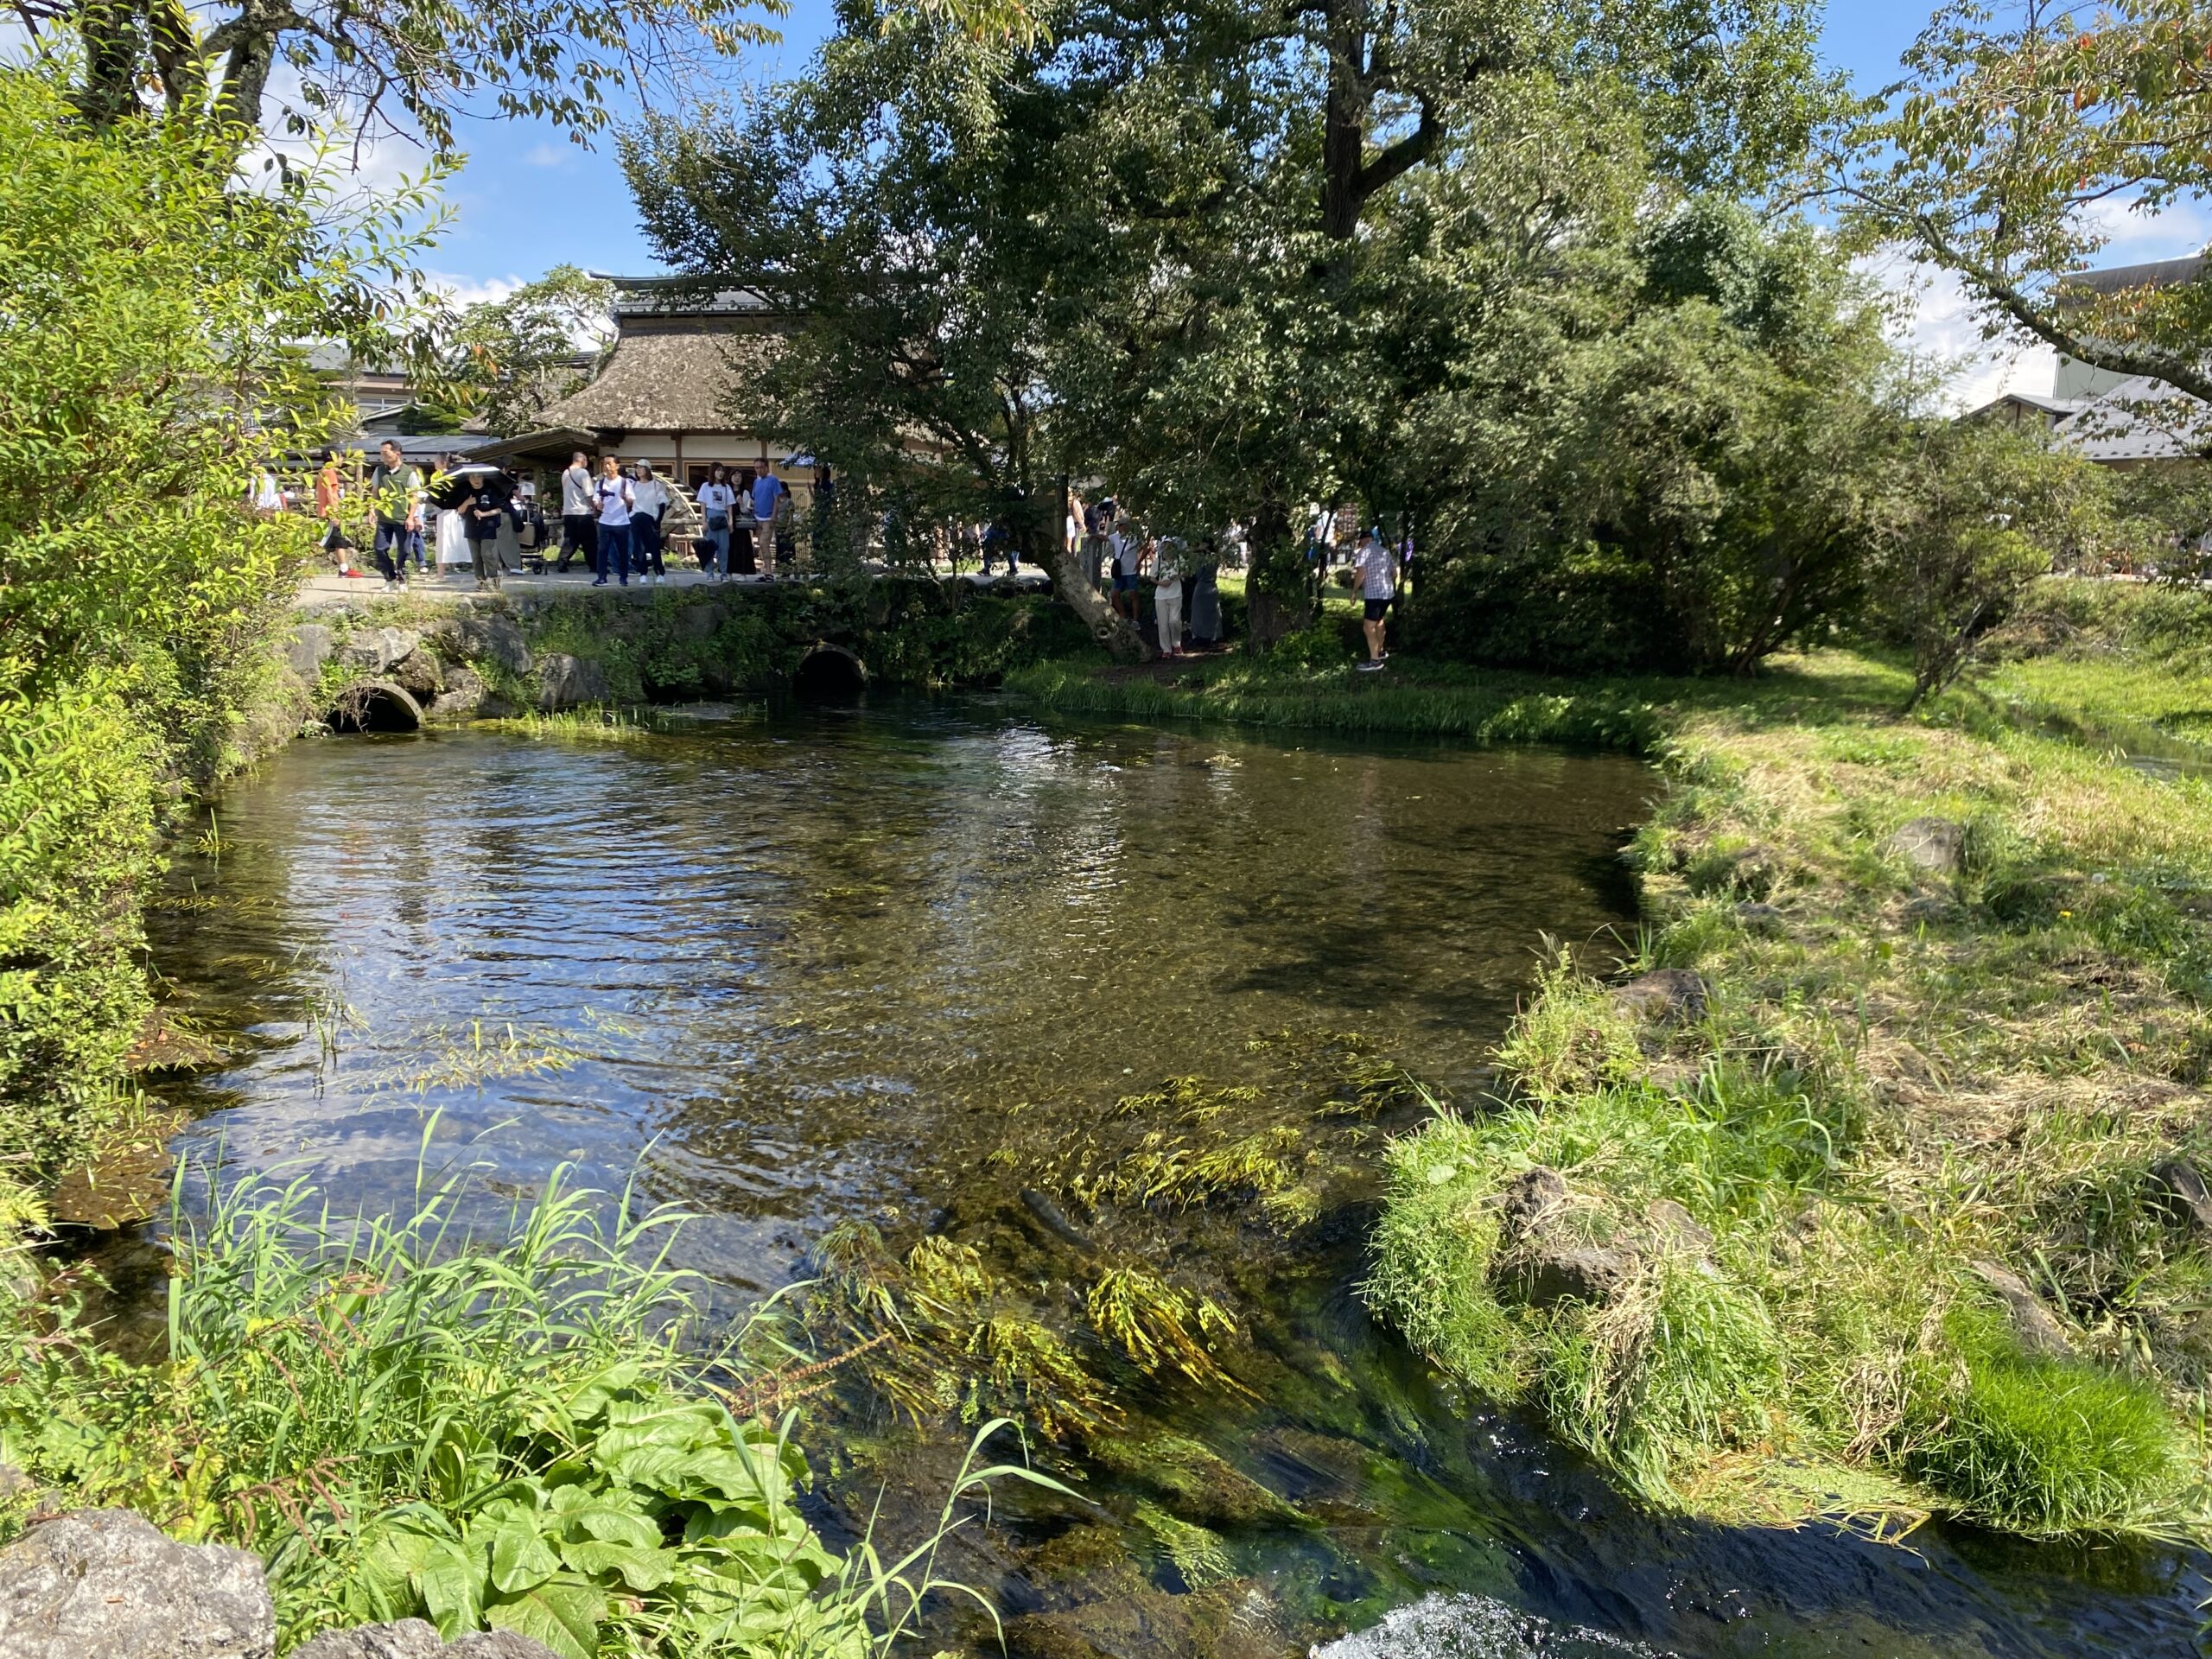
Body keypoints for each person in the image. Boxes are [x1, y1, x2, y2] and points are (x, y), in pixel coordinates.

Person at [365, 439, 420, 590]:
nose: (383, 456)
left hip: (402, 518)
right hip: (384, 517)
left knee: (404, 550)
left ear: (397, 453)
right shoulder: (379, 470)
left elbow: (414, 496)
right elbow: (374, 492)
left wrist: (411, 517)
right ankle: (390, 578)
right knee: (379, 548)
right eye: (381, 453)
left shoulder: (409, 472)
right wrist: (371, 509)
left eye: (386, 453)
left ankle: (402, 579)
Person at [1352, 526, 1397, 671]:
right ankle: (1381, 651)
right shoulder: (1385, 552)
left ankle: (1375, 661)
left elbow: (1360, 573)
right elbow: (1394, 574)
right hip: (1387, 593)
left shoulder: (1363, 552)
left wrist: (1354, 591)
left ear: (1362, 541)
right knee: (1379, 621)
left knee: (1368, 626)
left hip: (1374, 595)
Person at [461, 471, 509, 591]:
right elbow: (460, 511)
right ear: (468, 479)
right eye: (472, 476)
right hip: (471, 527)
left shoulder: (490, 491)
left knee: (487, 554)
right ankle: (480, 581)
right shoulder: (465, 492)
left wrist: (483, 514)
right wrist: (467, 503)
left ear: (483, 478)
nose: (476, 479)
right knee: (476, 557)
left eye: (478, 476)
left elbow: (498, 509)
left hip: (488, 526)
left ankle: (494, 579)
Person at [592, 454, 634, 587]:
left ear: (617, 465)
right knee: (602, 551)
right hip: (605, 521)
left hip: (621, 522)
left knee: (623, 551)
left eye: (610, 463)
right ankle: (602, 578)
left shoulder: (625, 482)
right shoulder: (600, 483)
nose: (607, 466)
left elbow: (632, 499)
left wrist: (625, 498)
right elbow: (595, 499)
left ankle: (623, 578)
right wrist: (598, 504)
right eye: (605, 463)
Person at [557, 451, 596, 573]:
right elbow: (589, 494)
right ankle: (594, 565)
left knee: (570, 539)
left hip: (569, 511)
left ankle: (562, 562)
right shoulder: (583, 473)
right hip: (583, 512)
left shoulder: (565, 473)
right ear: (582, 460)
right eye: (586, 461)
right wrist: (594, 508)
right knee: (590, 541)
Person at [632, 461, 670, 584]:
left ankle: (659, 572)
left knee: (654, 547)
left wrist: (658, 521)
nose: (638, 470)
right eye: (637, 468)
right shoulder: (634, 485)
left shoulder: (655, 485)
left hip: (650, 518)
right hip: (635, 517)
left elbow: (662, 503)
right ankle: (642, 572)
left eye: (641, 467)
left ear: (647, 469)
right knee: (639, 547)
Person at [697, 464, 736, 578]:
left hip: (722, 517)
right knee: (710, 546)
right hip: (711, 516)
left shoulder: (726, 487)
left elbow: (729, 506)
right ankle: (710, 573)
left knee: (724, 548)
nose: (720, 473)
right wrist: (703, 521)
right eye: (718, 471)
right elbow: (703, 505)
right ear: (713, 472)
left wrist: (730, 522)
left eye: (722, 471)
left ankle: (723, 572)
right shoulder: (705, 486)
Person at [1150, 534, 1185, 656]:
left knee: (1174, 621)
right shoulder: (1158, 561)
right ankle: (1166, 649)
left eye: (1170, 546)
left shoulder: (1179, 559)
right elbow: (1152, 577)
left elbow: (1186, 571)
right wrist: (1160, 583)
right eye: (1165, 546)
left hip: (1175, 593)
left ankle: (1176, 644)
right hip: (1160, 595)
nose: (1168, 549)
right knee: (1163, 624)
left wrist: (1176, 577)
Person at [749, 461, 784, 574]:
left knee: (764, 543)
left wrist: (774, 515)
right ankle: (765, 569)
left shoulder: (773, 480)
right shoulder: (756, 481)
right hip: (758, 516)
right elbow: (754, 498)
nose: (759, 470)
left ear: (766, 467)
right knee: (761, 544)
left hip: (768, 517)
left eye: (761, 467)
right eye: (756, 468)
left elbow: (777, 499)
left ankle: (769, 571)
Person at [1108, 517, 1143, 623]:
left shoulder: (1134, 538)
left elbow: (1145, 547)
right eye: (1118, 525)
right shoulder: (1115, 537)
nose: (1119, 527)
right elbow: (1105, 538)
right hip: (1120, 571)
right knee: (1114, 594)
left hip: (1131, 571)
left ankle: (1135, 619)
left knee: (1133, 595)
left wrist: (1139, 562)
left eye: (1121, 525)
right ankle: (1123, 614)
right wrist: (1094, 536)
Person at [1188, 541, 1222, 647]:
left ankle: (1197, 636)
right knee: (1213, 613)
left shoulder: (1200, 559)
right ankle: (1214, 637)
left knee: (1198, 613)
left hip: (1201, 587)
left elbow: (1197, 574)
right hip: (1212, 586)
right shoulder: (1216, 558)